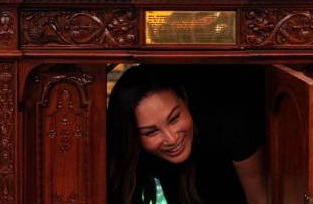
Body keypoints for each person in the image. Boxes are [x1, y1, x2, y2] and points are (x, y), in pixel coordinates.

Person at [107, 65, 268, 204]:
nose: (172, 138)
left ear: (184, 98)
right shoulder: (124, 160)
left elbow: (260, 200)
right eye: (152, 132)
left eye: (174, 118)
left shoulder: (231, 126)